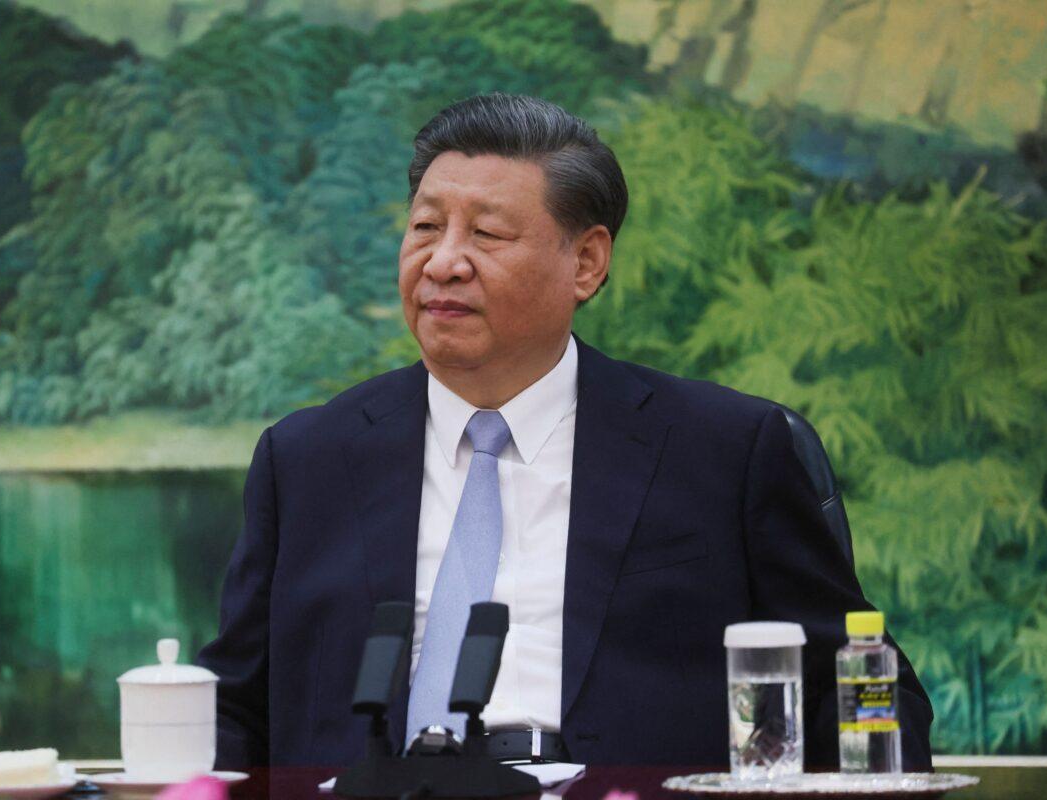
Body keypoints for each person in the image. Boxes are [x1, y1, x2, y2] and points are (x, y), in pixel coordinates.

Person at [196, 93, 933, 769]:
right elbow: (236, 707)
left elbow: (867, 693)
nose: (443, 262)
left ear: (586, 262)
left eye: (486, 233)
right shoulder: (308, 458)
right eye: (425, 227)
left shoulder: (724, 451)